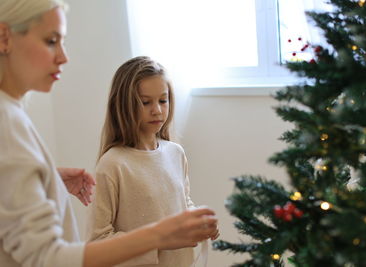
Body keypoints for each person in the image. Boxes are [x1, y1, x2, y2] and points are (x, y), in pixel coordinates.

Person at [0, 1, 218, 267]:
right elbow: (46, 257)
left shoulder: (12, 116)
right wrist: (159, 235)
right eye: (51, 40)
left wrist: (49, 179)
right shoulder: (8, 124)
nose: (64, 57)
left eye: (63, 41)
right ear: (4, 38)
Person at [87, 56, 219, 267]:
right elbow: (98, 240)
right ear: (123, 105)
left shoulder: (176, 153)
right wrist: (160, 241)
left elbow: (183, 203)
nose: (157, 110)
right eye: (145, 102)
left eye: (163, 100)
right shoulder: (113, 164)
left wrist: (197, 223)